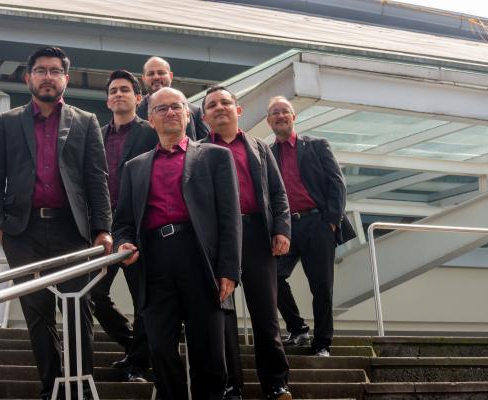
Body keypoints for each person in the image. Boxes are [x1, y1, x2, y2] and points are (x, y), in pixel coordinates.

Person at [0, 46, 113, 400]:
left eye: (55, 71)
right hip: (22, 233)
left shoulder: (85, 121)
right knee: (36, 313)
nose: (48, 77)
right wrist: (0, 227)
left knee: (77, 310)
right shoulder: (8, 122)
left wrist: (102, 228)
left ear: (65, 79)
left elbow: (97, 179)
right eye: (41, 70)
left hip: (72, 230)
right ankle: (52, 388)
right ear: (29, 78)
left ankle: (80, 388)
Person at [114, 87, 242, 400]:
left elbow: (230, 217)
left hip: (200, 260)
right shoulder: (134, 167)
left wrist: (229, 269)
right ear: (150, 119)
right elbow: (123, 222)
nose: (170, 112)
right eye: (162, 108)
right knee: (160, 348)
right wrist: (123, 244)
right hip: (155, 262)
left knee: (209, 352)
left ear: (187, 114)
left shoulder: (215, 156)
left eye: (177, 107)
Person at [201, 86, 292, 400]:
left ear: (238, 110)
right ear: (204, 117)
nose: (219, 108)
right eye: (212, 105)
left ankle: (276, 383)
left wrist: (282, 230)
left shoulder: (260, 147)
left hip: (256, 235)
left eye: (225, 102)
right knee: (222, 314)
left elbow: (278, 194)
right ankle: (230, 385)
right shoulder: (198, 151)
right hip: (217, 240)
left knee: (266, 314)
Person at [266, 96, 356, 357]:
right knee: (272, 277)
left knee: (321, 287)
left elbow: (337, 183)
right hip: (285, 228)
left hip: (318, 224)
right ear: (269, 121)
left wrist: (331, 222)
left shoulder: (317, 145)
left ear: (293, 117)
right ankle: (298, 329)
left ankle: (322, 343)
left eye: (285, 111)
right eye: (274, 113)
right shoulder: (266, 154)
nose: (280, 116)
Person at [90, 69, 157, 383]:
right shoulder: (96, 134)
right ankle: (135, 347)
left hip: (139, 226)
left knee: (142, 297)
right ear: (107, 101)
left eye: (125, 90)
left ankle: (138, 364)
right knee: (93, 293)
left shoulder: (150, 132)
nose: (119, 94)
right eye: (113, 91)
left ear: (138, 98)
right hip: (103, 227)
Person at [136, 56, 209, 140]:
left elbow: (206, 144)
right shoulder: (135, 112)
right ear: (143, 79)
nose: (156, 77)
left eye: (161, 73)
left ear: (170, 76)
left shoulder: (195, 111)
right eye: (151, 74)